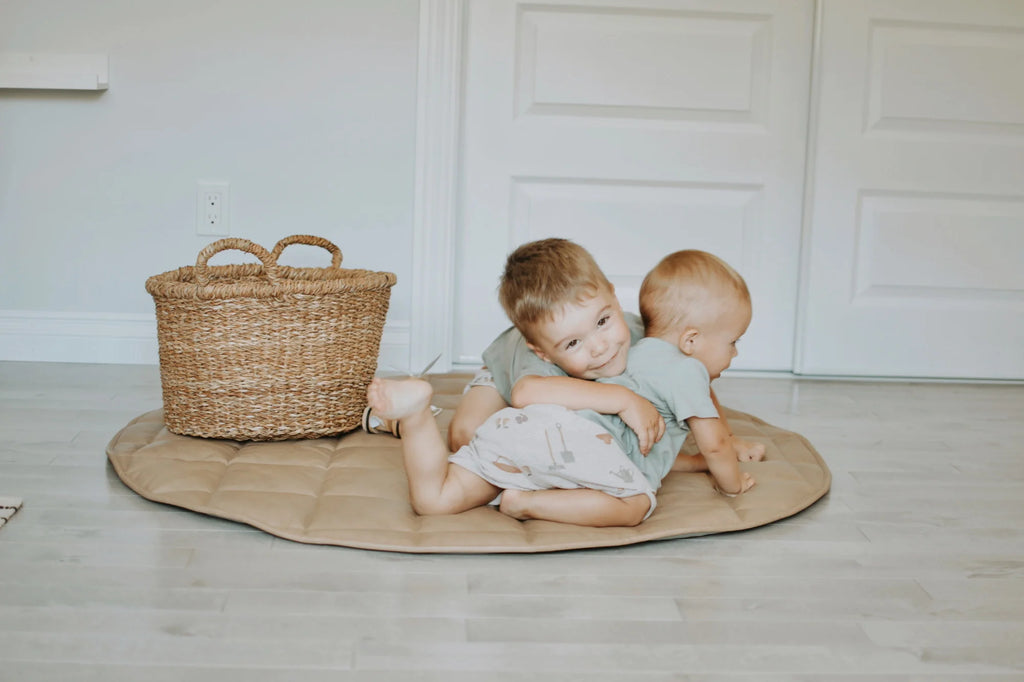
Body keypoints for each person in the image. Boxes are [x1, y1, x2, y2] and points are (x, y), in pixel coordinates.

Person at [366, 239, 662, 527]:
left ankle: (414, 417)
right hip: (504, 374)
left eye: (602, 321)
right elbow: (525, 393)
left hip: (550, 391)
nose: (599, 347)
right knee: (465, 435)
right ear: (543, 351)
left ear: (613, 296)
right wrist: (623, 398)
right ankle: (407, 419)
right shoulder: (536, 357)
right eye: (573, 342)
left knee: (435, 501)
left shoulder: (642, 336)